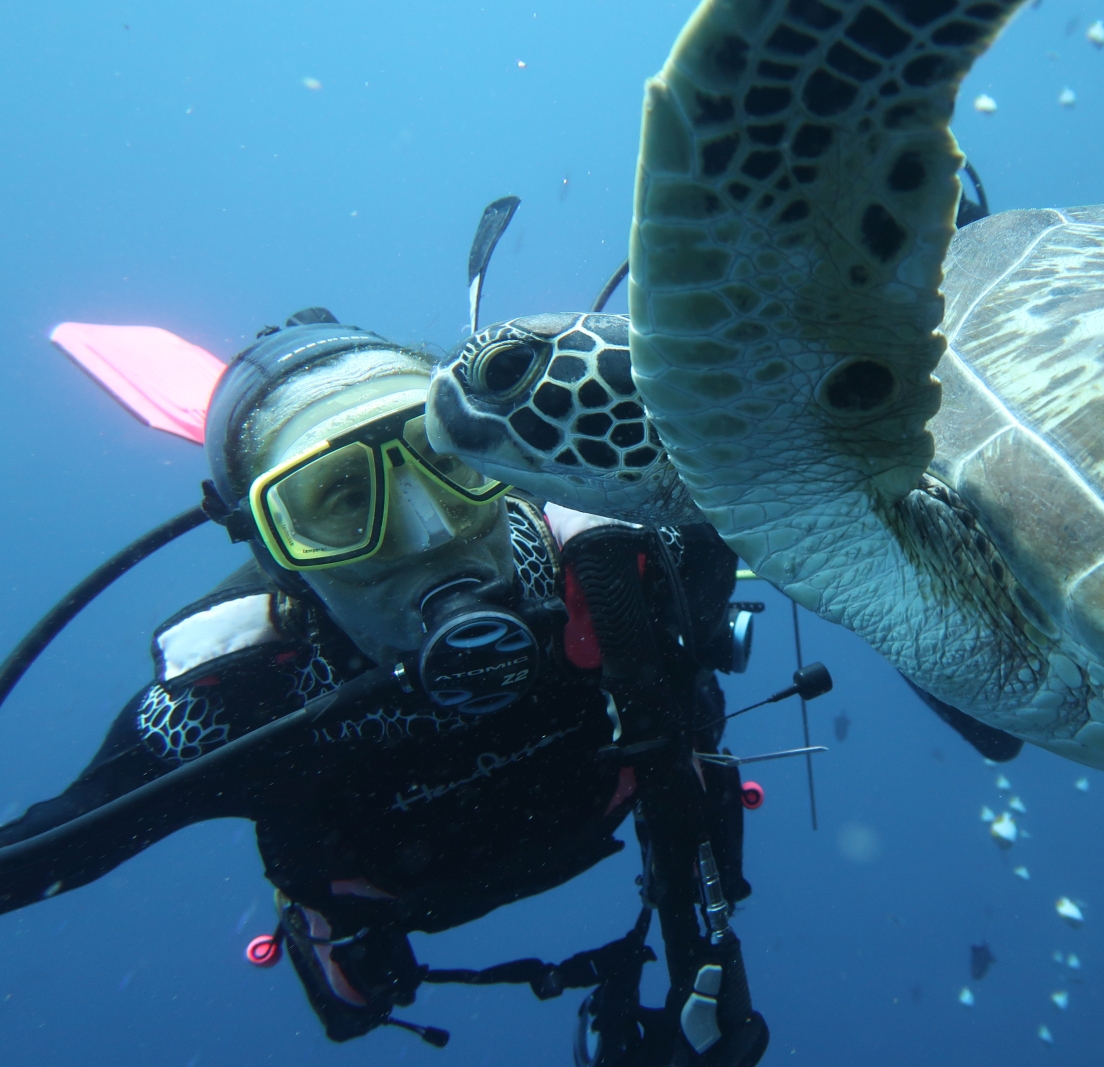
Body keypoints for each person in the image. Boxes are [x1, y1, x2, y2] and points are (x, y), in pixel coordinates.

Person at [0, 308, 770, 1065]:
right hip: (388, 900)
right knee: (352, 1000)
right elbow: (49, 844)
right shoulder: (234, 703)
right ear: (277, 556)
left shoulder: (620, 570)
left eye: (449, 463)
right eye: (339, 501)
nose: (429, 531)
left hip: (581, 818)